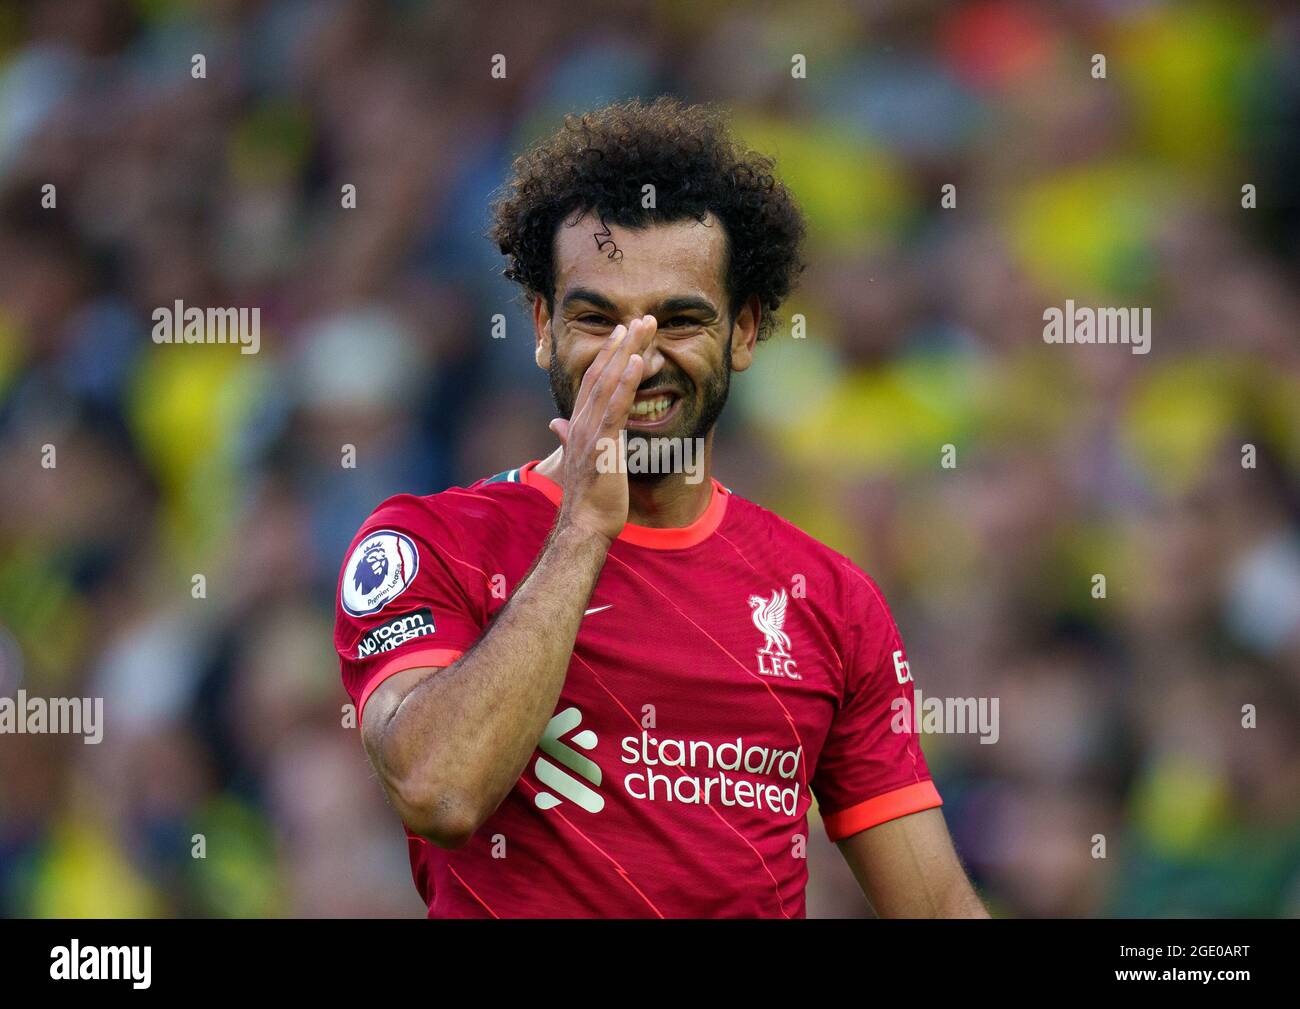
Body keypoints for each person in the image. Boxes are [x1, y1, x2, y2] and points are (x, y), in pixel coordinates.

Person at [334, 97, 987, 918]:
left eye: (679, 320)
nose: (637, 359)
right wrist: (583, 529)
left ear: (745, 333)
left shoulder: (830, 600)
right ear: (541, 327)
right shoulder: (428, 545)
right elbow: (438, 792)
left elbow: (934, 908)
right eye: (596, 318)